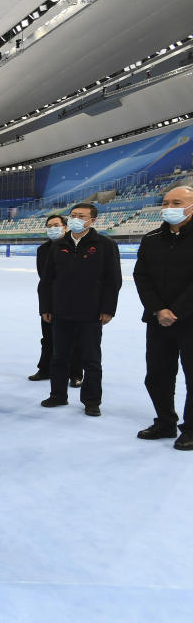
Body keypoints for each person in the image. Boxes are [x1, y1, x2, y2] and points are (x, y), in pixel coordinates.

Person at [38, 203, 122, 417]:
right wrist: (46, 307)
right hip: (60, 312)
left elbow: (113, 281)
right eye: (73, 215)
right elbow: (47, 280)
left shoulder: (105, 245)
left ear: (92, 220)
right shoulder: (58, 246)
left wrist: (108, 309)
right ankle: (58, 395)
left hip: (91, 313)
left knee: (91, 360)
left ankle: (91, 400)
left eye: (81, 216)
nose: (76, 218)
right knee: (59, 357)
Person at [134, 181, 193, 450]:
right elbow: (141, 277)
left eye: (176, 203)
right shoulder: (151, 240)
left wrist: (176, 311)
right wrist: (159, 309)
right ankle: (166, 421)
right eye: (166, 203)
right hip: (159, 321)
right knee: (157, 375)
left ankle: (190, 429)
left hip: (189, 321)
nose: (168, 208)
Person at [30, 215, 83, 386]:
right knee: (47, 338)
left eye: (56, 225)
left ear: (65, 227)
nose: (52, 228)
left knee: (73, 339)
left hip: (73, 302)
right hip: (50, 301)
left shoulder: (75, 246)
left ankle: (75, 374)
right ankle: (45, 369)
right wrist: (46, 305)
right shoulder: (43, 250)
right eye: (49, 225)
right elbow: (44, 278)